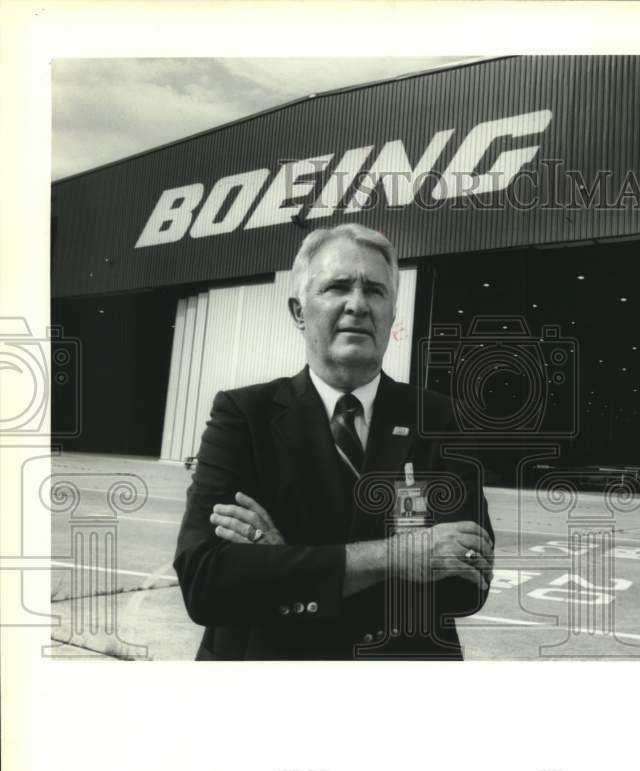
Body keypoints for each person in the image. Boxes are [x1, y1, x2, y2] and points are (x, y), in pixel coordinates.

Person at [173, 224, 494, 660]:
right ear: (299, 312)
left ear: (392, 315)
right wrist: (398, 555)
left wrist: (285, 566)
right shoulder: (243, 416)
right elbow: (205, 581)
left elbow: (466, 583)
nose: (358, 305)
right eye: (338, 286)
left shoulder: (438, 418)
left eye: (375, 291)